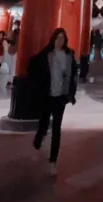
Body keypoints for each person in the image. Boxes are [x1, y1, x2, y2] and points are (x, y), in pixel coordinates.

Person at [29, 27, 78, 175]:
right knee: (44, 122)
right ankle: (38, 139)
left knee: (57, 128)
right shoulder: (46, 54)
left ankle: (53, 160)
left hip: (61, 97)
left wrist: (71, 93)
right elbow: (34, 66)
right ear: (53, 39)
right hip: (47, 95)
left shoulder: (69, 55)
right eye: (58, 38)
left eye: (63, 38)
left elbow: (73, 74)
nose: (60, 41)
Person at [4, 23, 20, 88]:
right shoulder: (14, 32)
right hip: (12, 51)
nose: (14, 26)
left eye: (15, 25)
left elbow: (13, 41)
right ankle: (10, 80)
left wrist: (9, 40)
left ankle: (11, 80)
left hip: (15, 51)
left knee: (12, 67)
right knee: (11, 67)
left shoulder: (18, 33)